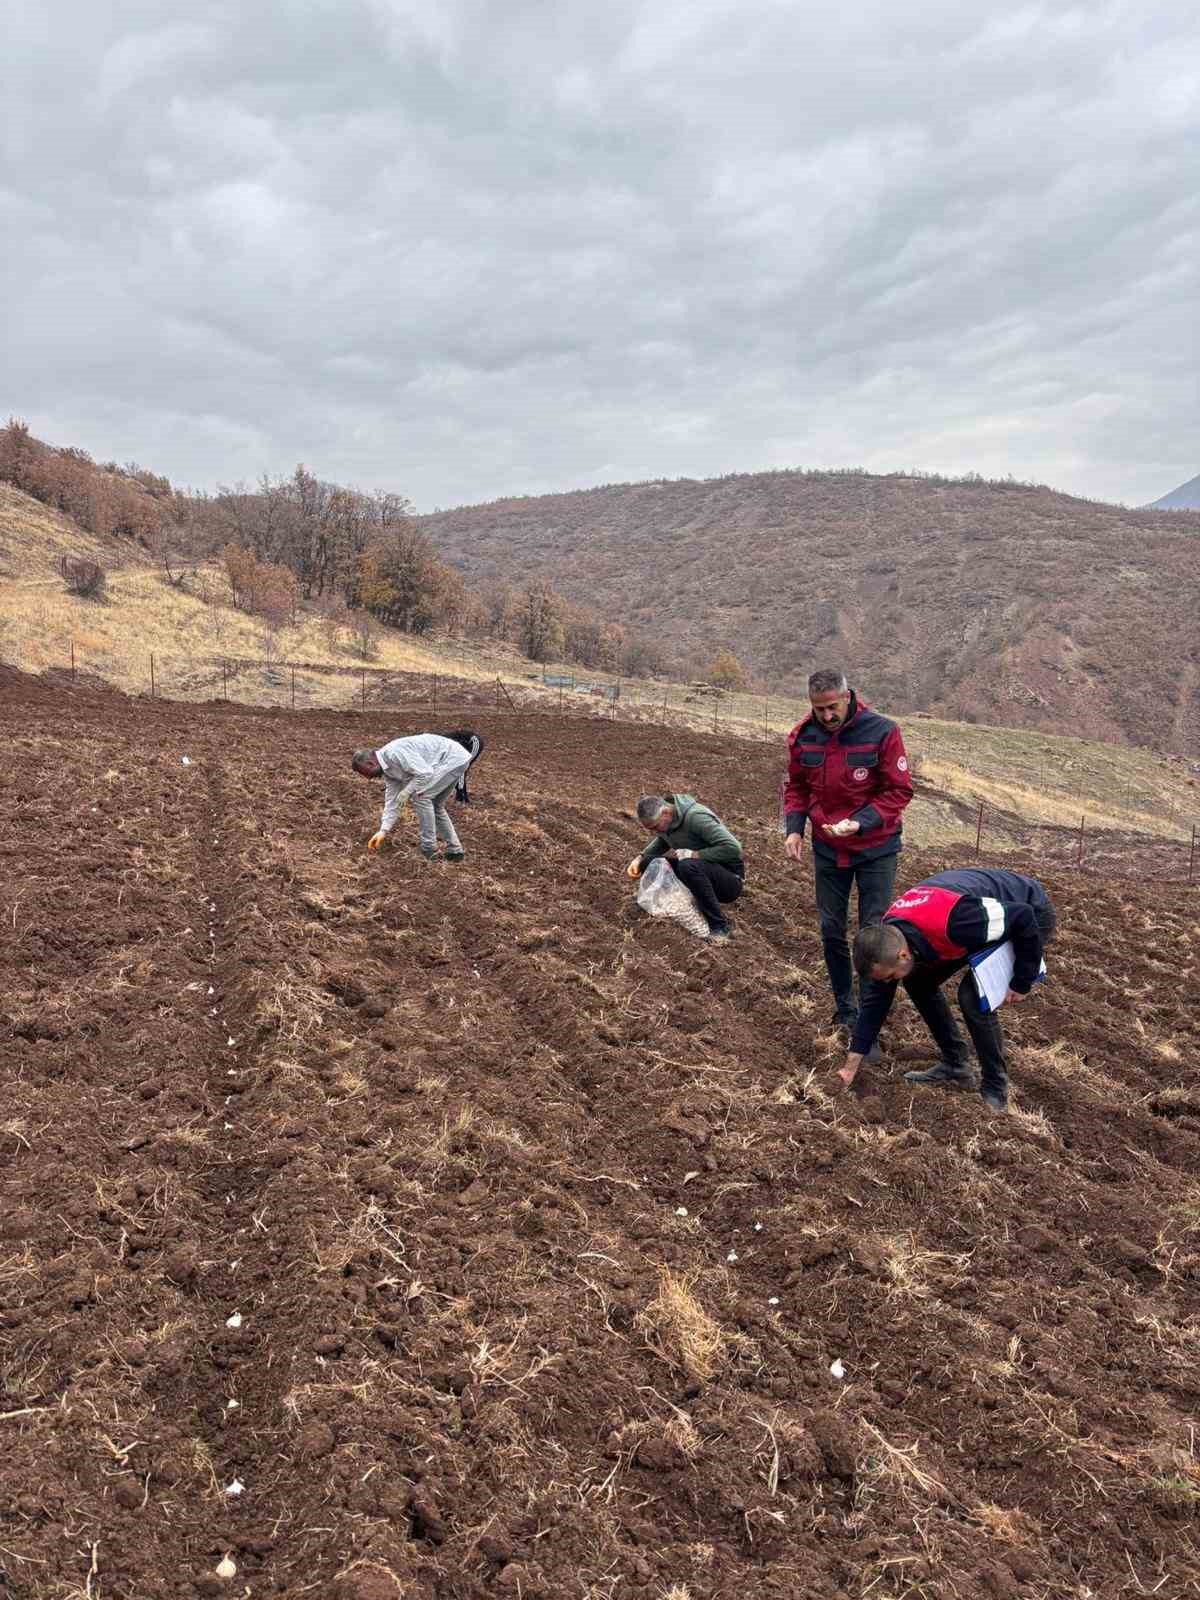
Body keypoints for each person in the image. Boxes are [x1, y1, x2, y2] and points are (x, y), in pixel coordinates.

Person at [837, 867, 1057, 1112]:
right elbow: (874, 1005)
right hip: (978, 919)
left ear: (903, 954)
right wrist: (851, 1064)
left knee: (973, 999)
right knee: (918, 981)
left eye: (889, 977)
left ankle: (996, 1087)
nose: (888, 983)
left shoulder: (958, 921)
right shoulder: (888, 939)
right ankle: (956, 1063)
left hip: (1028, 913)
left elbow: (1023, 917)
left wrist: (1022, 980)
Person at [783, 669, 913, 1041]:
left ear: (847, 696)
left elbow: (898, 791)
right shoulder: (802, 737)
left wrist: (860, 822)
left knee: (873, 933)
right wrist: (794, 828)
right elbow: (797, 788)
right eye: (818, 709)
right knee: (831, 930)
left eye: (832, 707)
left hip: (876, 847)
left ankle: (870, 1017)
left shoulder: (882, 731)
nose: (826, 716)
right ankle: (845, 1008)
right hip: (828, 847)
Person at [627, 793, 744, 942]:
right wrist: (640, 858)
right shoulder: (668, 823)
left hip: (729, 880)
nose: (656, 832)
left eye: (656, 827)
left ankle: (719, 926)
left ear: (665, 813)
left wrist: (695, 854)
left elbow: (734, 848)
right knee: (649, 862)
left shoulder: (696, 818)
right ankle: (678, 904)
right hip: (701, 870)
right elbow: (662, 840)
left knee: (687, 865)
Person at [352, 730, 483, 861]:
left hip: (452, 758)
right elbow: (392, 801)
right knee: (435, 805)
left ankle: (428, 849)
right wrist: (383, 830)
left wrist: (406, 791)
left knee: (421, 797)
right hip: (452, 760)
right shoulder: (387, 771)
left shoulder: (394, 753)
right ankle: (455, 851)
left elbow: (425, 774)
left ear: (370, 763)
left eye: (366, 773)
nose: (368, 778)